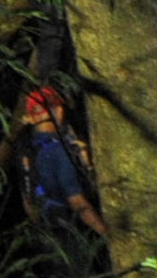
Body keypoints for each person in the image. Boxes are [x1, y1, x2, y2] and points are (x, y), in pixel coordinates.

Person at [18, 84, 103, 248]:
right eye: (54, 108)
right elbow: (78, 203)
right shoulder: (58, 149)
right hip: (71, 233)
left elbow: (27, 202)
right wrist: (108, 235)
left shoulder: (27, 147)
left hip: (45, 235)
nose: (60, 112)